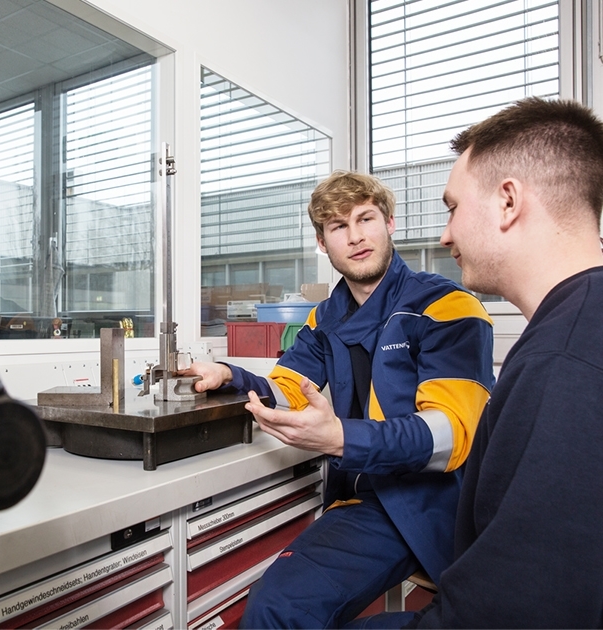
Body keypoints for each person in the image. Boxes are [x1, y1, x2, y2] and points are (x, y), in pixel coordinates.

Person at [181, 171, 495, 628]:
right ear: (322, 242)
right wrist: (230, 374)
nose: (355, 237)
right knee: (275, 612)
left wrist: (340, 437)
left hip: (439, 501)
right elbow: (288, 387)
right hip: (368, 504)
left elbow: (451, 437)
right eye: (338, 226)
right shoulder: (324, 316)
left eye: (365, 219)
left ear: (389, 222)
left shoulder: (449, 306)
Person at [384, 97, 603, 628]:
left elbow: (520, 611)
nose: (445, 234)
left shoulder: (565, 361)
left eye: (453, 207)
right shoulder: (578, 323)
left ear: (508, 201)